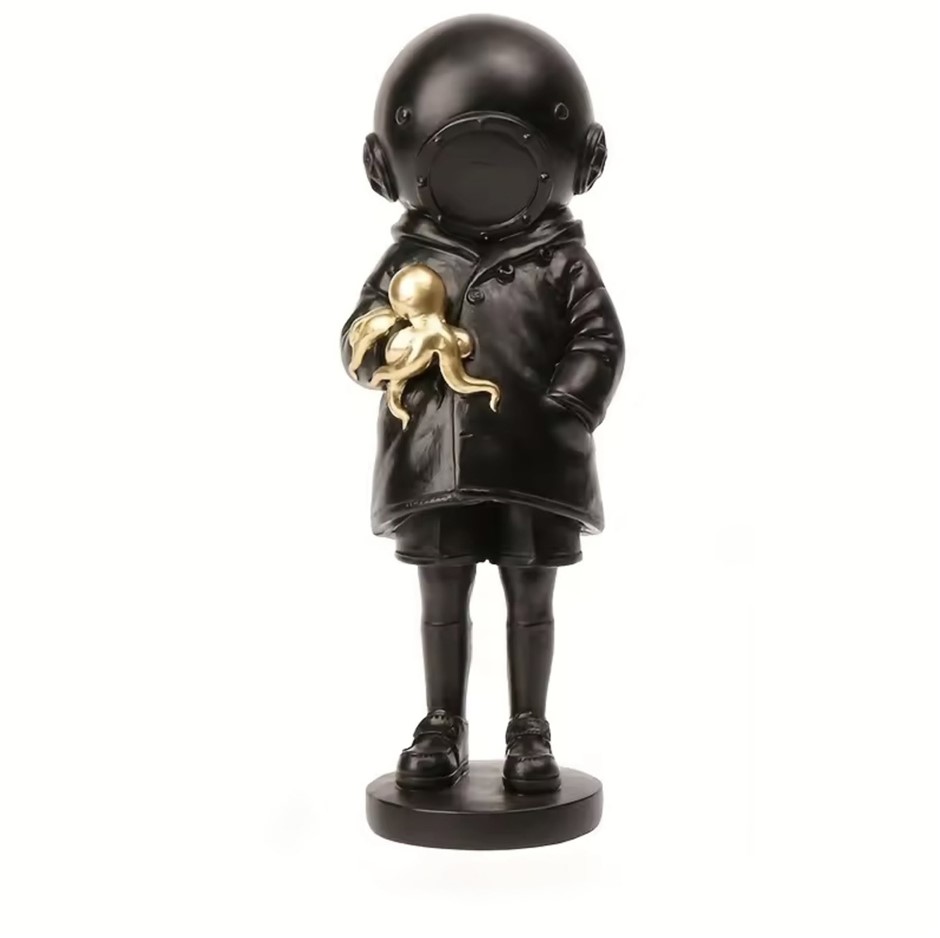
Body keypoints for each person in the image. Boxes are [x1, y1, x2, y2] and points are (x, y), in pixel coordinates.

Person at [341, 14, 623, 793]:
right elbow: (357, 339)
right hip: (438, 460)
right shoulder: (409, 259)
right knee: (443, 592)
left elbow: (601, 342)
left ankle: (530, 726)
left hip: (537, 461)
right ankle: (443, 721)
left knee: (532, 597)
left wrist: (565, 406)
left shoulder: (562, 261)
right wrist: (385, 345)